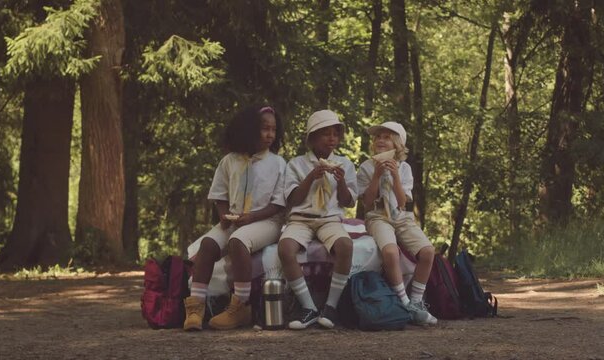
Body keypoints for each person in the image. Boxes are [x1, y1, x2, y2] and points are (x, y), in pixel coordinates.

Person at [183, 106, 286, 331]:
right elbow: (220, 194)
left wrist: (251, 217)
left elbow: (278, 204)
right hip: (235, 219)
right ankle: (195, 308)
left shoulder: (278, 164)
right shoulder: (230, 161)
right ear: (249, 130)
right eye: (264, 129)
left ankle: (241, 306)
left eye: (273, 130)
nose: (270, 134)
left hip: (266, 221)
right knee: (207, 244)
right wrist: (223, 214)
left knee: (238, 242)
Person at [277, 109, 357, 330]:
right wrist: (311, 177)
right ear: (311, 138)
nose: (332, 138)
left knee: (345, 245)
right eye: (325, 134)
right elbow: (293, 199)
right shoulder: (296, 164)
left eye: (336, 134)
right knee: (285, 248)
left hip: (329, 218)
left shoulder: (344, 164)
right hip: (301, 219)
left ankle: (330, 307)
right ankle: (308, 307)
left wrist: (340, 182)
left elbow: (348, 202)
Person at [357, 121, 437, 326]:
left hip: (401, 216)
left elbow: (402, 202)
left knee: (428, 251)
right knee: (391, 252)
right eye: (378, 137)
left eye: (386, 137)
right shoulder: (366, 167)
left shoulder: (405, 168)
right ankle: (404, 302)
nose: (380, 140)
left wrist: (394, 176)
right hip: (377, 216)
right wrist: (377, 174)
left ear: (397, 145)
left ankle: (417, 302)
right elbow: (366, 203)